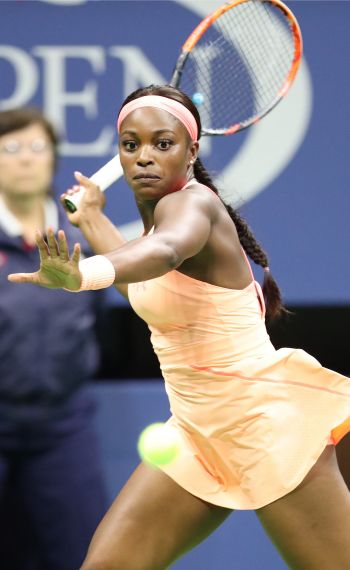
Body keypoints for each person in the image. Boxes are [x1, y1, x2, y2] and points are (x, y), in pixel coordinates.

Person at [8, 85, 350, 570]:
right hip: (195, 434)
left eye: (161, 143)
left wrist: (86, 273)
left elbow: (166, 251)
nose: (144, 157)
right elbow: (149, 289)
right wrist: (92, 221)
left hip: (264, 427)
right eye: (131, 145)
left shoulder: (194, 207)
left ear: (191, 152)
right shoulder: (150, 232)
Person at [0, 108, 108, 570]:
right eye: (11, 148)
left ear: (54, 159)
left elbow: (98, 313)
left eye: (38, 147)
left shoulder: (79, 235)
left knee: (89, 557)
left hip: (63, 427)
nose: (26, 159)